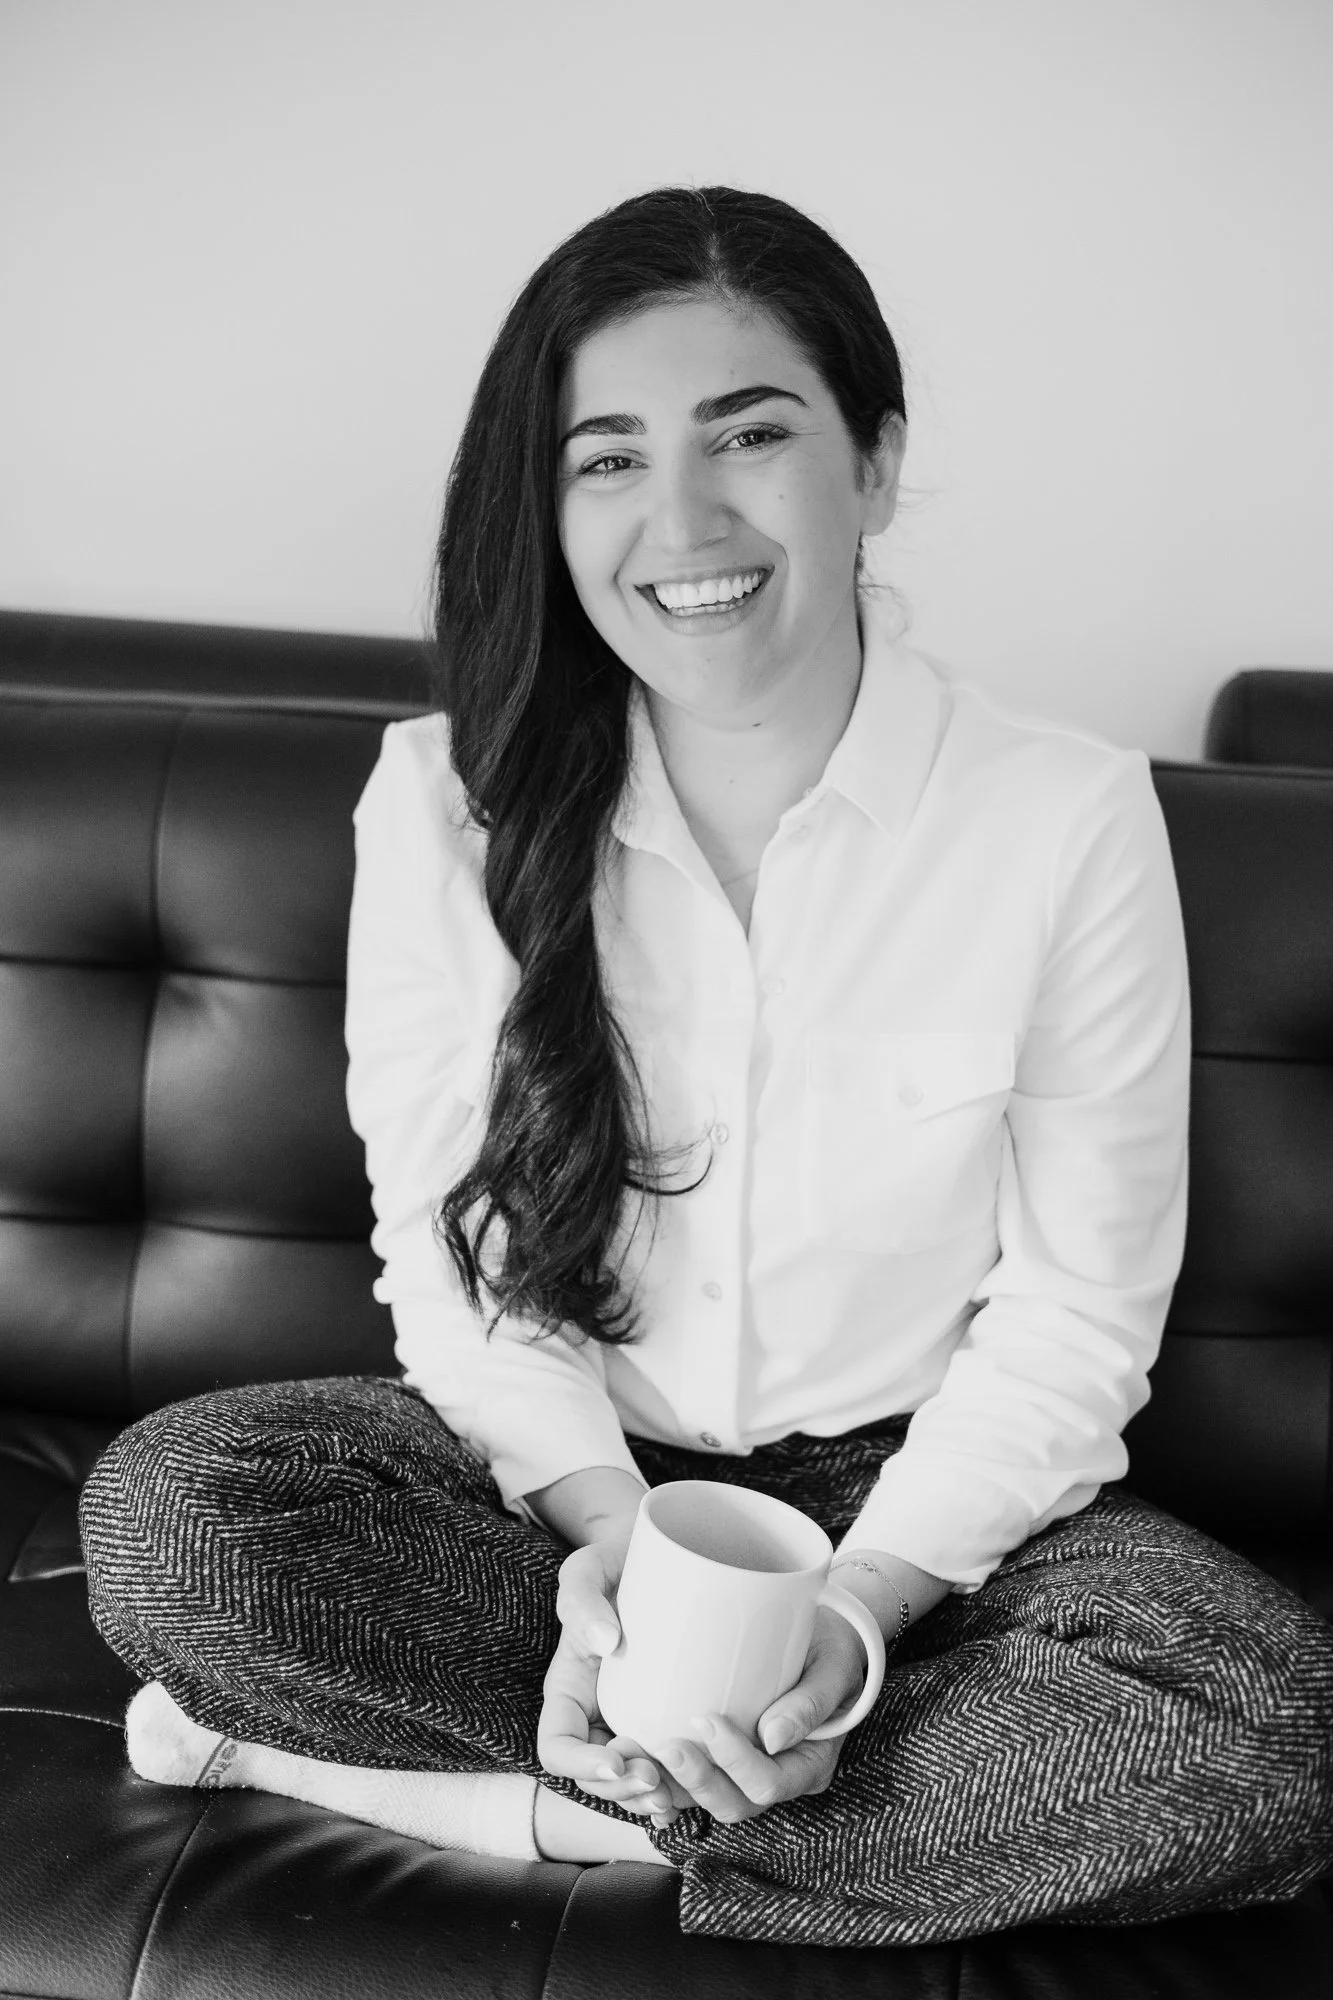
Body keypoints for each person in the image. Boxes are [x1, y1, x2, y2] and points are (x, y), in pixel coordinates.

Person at [79, 185, 1333, 1951]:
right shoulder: (447, 808)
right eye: (607, 460)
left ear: (875, 466)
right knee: (175, 1523)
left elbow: (1075, 1314)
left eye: (752, 434)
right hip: (571, 1517)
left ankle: (503, 1808)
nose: (684, 520)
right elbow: (464, 1272)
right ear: (552, 502)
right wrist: (604, 1553)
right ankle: (677, 1782)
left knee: (1278, 1733)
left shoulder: (1062, 817)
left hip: (916, 1519)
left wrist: (861, 1613)